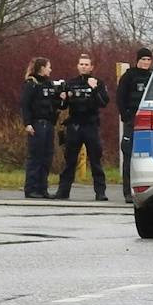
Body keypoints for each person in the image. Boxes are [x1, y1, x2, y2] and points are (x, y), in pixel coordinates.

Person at [56, 52, 110, 201]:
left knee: (95, 161)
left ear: (91, 67)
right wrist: (63, 98)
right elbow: (62, 106)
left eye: (86, 64)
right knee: (70, 160)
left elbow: (104, 102)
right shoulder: (71, 83)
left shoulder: (98, 82)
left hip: (91, 125)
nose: (84, 67)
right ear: (77, 66)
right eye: (81, 64)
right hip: (75, 126)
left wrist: (95, 89)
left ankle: (100, 192)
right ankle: (63, 191)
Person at [20, 57, 61, 199]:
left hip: (49, 124)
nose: (50, 69)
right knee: (35, 157)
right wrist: (27, 123)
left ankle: (43, 188)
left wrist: (61, 97)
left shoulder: (49, 84)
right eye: (48, 67)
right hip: (37, 124)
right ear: (42, 68)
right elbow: (25, 105)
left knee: (46, 157)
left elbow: (55, 104)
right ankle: (31, 188)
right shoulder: (32, 84)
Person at [116, 48, 153, 203]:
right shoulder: (129, 76)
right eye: (143, 59)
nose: (145, 62)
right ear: (137, 60)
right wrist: (126, 117)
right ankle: (127, 192)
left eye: (148, 60)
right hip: (132, 122)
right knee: (128, 155)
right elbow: (120, 97)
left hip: (149, 123)